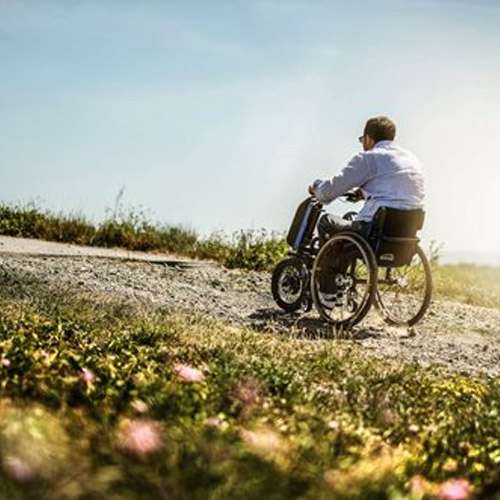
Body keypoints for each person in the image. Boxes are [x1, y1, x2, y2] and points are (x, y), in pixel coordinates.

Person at [309, 116, 425, 244]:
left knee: (327, 221)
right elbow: (395, 190)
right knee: (350, 217)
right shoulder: (411, 159)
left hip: (375, 230)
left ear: (368, 139)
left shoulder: (369, 158)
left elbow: (329, 191)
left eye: (362, 140)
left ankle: (324, 264)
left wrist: (317, 189)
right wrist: (362, 193)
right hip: (406, 231)